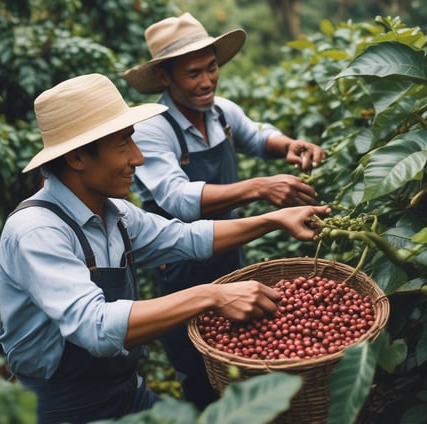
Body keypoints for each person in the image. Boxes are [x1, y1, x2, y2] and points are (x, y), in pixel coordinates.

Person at [0, 73, 330, 423]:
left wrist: (274, 220)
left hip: (125, 390)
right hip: (60, 407)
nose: (138, 158)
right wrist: (212, 296)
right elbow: (96, 326)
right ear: (78, 158)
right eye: (123, 145)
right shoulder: (37, 232)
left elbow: (186, 238)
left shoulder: (117, 215)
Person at [122, 12, 327, 409]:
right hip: (181, 265)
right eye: (193, 73)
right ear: (165, 78)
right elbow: (178, 199)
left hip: (229, 252)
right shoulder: (152, 130)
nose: (206, 82)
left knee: (246, 350)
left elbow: (257, 134)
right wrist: (259, 188)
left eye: (211, 68)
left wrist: (287, 145)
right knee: (197, 366)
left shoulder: (220, 112)